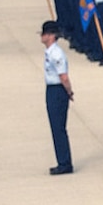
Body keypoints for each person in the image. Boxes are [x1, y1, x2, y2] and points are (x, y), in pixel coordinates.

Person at [39, 19, 74, 174]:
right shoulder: (49, 52)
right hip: (51, 89)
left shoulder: (56, 53)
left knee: (59, 127)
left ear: (51, 35)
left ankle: (65, 163)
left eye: (45, 33)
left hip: (58, 90)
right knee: (55, 127)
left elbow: (63, 76)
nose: (42, 36)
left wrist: (69, 92)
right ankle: (62, 160)